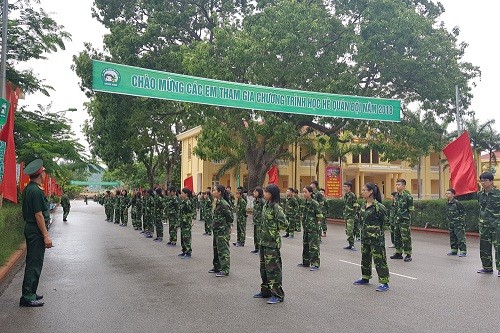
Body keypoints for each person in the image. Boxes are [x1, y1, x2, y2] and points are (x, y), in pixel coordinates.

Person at [19, 159, 53, 307]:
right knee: (34, 263)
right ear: (40, 174)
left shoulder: (29, 188)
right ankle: (27, 296)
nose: (45, 174)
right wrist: (46, 235)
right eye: (44, 172)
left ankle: (31, 292)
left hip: (31, 229)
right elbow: (38, 215)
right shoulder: (36, 191)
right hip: (35, 230)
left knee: (33, 262)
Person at [353, 182, 390, 292]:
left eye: (364, 190)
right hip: (365, 237)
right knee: (365, 258)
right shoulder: (363, 205)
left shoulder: (379, 207)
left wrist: (378, 232)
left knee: (379, 260)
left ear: (371, 192)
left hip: (376, 239)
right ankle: (365, 277)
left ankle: (384, 282)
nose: (362, 192)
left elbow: (386, 223)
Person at [254, 184, 288, 304]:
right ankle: (265, 291)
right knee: (263, 269)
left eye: (266, 191)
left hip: (272, 243)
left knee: (273, 270)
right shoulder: (266, 206)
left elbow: (284, 224)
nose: (264, 193)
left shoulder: (276, 208)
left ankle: (278, 295)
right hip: (263, 242)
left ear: (272, 194)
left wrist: (274, 230)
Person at [476, 172, 500, 275]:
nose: (483, 182)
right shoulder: (480, 194)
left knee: (498, 247)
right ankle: (487, 267)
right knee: (484, 246)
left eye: (485, 180)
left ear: (491, 181)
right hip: (484, 225)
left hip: (497, 225)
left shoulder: (498, 194)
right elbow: (481, 209)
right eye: (481, 180)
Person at [208, 185, 233, 277]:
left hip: (222, 231)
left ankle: (225, 269)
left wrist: (226, 226)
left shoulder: (223, 204)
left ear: (219, 192)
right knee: (216, 249)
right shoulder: (216, 202)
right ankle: (217, 267)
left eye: (214, 190)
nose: (212, 192)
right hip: (217, 230)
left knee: (223, 250)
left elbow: (230, 218)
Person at [299, 185, 323, 271]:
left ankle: (315, 263)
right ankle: (305, 262)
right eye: (303, 192)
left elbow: (319, 216)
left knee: (313, 246)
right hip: (306, 227)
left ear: (310, 193)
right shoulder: (304, 202)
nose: (304, 193)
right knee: (305, 245)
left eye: (305, 192)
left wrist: (315, 224)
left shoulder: (314, 203)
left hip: (313, 228)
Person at [390, 179, 414, 262]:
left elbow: (410, 209)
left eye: (399, 184)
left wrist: (405, 217)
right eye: (396, 184)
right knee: (397, 237)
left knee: (406, 238)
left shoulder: (408, 197)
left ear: (403, 186)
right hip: (396, 220)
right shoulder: (396, 196)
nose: (397, 186)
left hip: (404, 221)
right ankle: (398, 253)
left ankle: (408, 254)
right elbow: (394, 208)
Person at [445, 188, 467, 257]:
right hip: (451, 223)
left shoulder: (457, 203)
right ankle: (454, 250)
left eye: (449, 193)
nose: (447, 195)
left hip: (458, 223)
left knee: (460, 237)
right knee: (452, 237)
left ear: (453, 194)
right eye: (446, 193)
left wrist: (461, 221)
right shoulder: (447, 203)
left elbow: (463, 212)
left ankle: (463, 251)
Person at [342, 181, 359, 251]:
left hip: (351, 216)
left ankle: (352, 245)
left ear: (349, 187)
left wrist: (354, 213)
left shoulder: (352, 195)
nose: (344, 187)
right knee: (347, 231)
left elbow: (355, 205)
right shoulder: (345, 195)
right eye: (343, 186)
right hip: (346, 215)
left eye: (345, 186)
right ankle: (350, 244)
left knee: (350, 231)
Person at [179, 188, 194, 258]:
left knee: (186, 237)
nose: (181, 194)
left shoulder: (188, 202)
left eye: (182, 193)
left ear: (186, 194)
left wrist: (187, 219)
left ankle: (188, 252)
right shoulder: (183, 201)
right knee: (183, 237)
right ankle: (184, 251)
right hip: (183, 222)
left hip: (186, 222)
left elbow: (191, 213)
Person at [251, 187, 265, 254]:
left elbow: (264, 210)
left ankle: (260, 250)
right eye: (254, 192)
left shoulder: (262, 201)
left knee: (260, 236)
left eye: (255, 192)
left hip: (260, 221)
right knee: (255, 236)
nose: (254, 193)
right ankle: (256, 248)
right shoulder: (255, 201)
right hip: (256, 221)